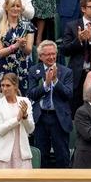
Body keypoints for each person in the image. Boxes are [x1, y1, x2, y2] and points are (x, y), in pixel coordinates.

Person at [27, 40, 73, 168]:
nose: (51, 57)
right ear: (40, 56)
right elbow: (31, 94)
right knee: (41, 154)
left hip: (59, 118)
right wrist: (46, 84)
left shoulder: (66, 71)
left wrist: (56, 81)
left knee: (62, 154)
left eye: (53, 54)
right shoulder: (33, 71)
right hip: (41, 117)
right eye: (47, 54)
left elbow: (68, 94)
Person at [0, 0, 36, 97]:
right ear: (6, 8)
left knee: (24, 100)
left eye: (18, 6)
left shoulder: (28, 26)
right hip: (5, 68)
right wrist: (15, 46)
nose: (15, 8)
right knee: (3, 99)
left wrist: (22, 46)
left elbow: (28, 50)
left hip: (23, 68)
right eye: (12, 6)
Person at [0, 73, 35, 169]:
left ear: (15, 86)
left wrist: (25, 116)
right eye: (2, 85)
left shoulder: (25, 101)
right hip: (3, 154)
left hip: (22, 152)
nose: (5, 89)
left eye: (8, 85)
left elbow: (30, 129)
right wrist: (17, 119)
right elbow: (0, 130)